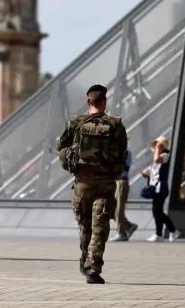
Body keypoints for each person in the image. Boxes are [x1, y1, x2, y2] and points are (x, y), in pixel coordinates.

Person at [57, 84, 128, 284]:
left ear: (88, 101)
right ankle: (93, 267)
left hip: (83, 184)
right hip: (106, 184)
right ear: (105, 101)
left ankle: (83, 261)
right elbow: (123, 153)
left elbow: (61, 147)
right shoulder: (115, 124)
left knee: (85, 226)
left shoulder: (75, 122)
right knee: (100, 227)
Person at [141, 136, 180, 242]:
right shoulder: (158, 157)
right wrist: (146, 175)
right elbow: (152, 170)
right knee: (157, 211)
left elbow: (157, 160)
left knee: (157, 211)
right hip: (155, 187)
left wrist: (157, 149)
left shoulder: (165, 155)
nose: (156, 147)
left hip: (161, 188)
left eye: (159, 145)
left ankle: (162, 233)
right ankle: (169, 231)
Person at [110, 148, 138, 242]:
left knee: (119, 209)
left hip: (121, 181)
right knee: (112, 209)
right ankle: (129, 226)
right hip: (117, 181)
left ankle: (122, 233)